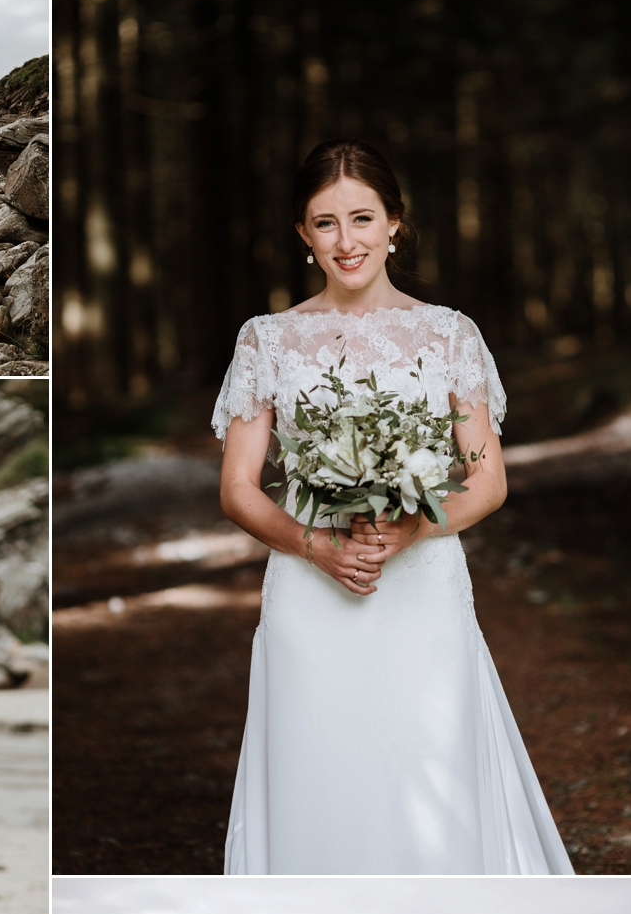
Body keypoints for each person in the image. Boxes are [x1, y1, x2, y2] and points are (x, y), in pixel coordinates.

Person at [214, 138, 574, 876]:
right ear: (302, 235)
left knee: (427, 752)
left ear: (394, 225)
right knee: (318, 759)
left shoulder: (447, 334)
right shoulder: (267, 340)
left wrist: (409, 529)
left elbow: (484, 480)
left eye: (361, 218)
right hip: (309, 587)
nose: (345, 242)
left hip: (419, 584)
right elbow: (239, 488)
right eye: (324, 223)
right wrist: (315, 544)